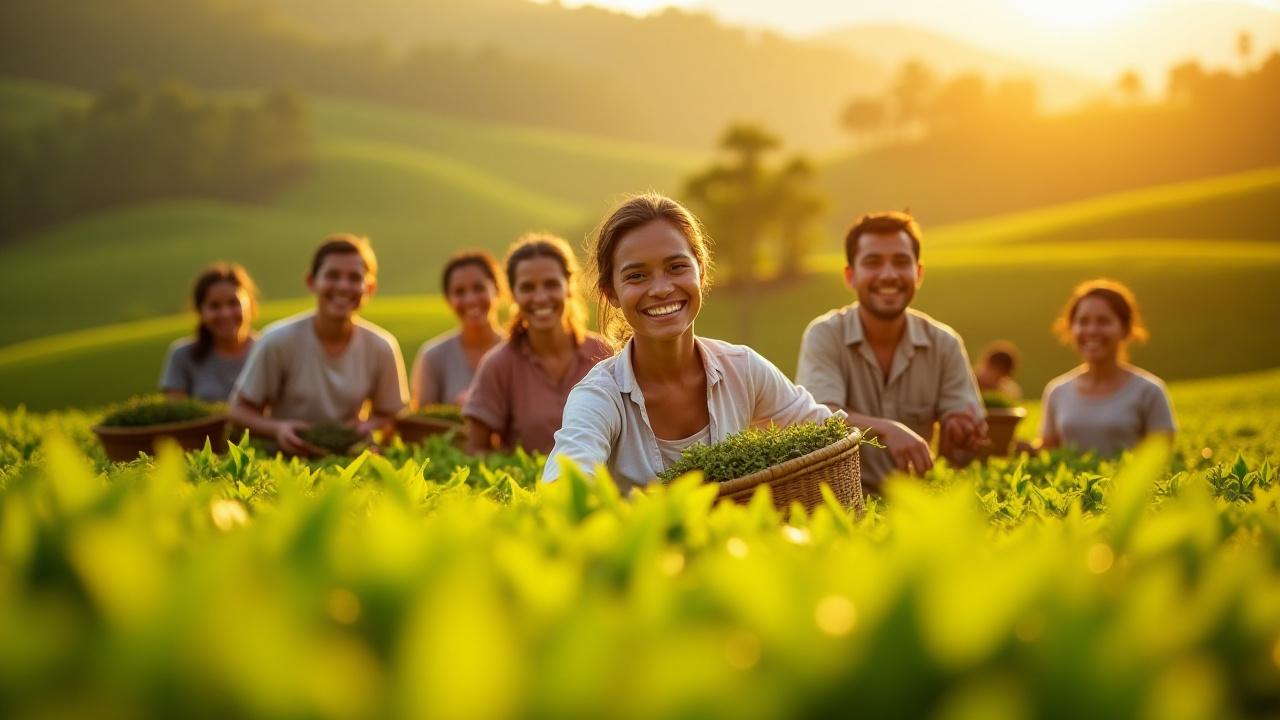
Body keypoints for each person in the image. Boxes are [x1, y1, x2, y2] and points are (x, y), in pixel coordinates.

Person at [542, 193, 838, 491]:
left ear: (702, 271)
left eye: (676, 267)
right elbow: (565, 485)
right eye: (637, 275)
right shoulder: (600, 396)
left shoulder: (742, 369)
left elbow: (830, 434)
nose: (660, 288)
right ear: (612, 294)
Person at [795, 211, 986, 492]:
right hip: (843, 505)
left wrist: (962, 432)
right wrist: (887, 430)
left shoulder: (945, 343)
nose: (888, 274)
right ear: (850, 275)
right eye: (873, 262)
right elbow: (818, 418)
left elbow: (961, 430)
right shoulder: (825, 335)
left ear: (918, 273)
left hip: (917, 505)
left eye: (901, 262)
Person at [229, 234, 408, 455]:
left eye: (354, 278)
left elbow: (392, 414)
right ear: (312, 282)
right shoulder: (277, 340)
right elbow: (238, 412)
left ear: (369, 288)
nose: (343, 286)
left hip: (348, 461)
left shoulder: (382, 346)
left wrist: (367, 428)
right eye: (332, 275)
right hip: (283, 461)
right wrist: (278, 430)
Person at [463, 233, 610, 455]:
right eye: (527, 288)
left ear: (569, 286)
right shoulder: (499, 365)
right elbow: (476, 448)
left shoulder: (604, 353)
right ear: (513, 294)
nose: (540, 298)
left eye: (551, 284)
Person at [1035, 279, 1175, 455]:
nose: (1092, 330)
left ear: (1125, 329)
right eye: (1083, 322)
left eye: (1103, 321)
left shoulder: (1149, 391)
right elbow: (1047, 452)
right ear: (1072, 328)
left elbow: (1161, 457)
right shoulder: (1057, 391)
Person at [410, 251, 506, 408]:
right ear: (448, 300)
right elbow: (421, 422)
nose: (470, 299)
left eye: (479, 288)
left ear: (497, 290)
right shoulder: (433, 356)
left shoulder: (520, 351)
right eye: (459, 292)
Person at [160, 263, 259, 402]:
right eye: (214, 306)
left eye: (233, 303)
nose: (225, 313)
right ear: (200, 311)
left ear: (250, 304)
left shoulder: (267, 350)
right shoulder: (182, 356)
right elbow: (177, 414)